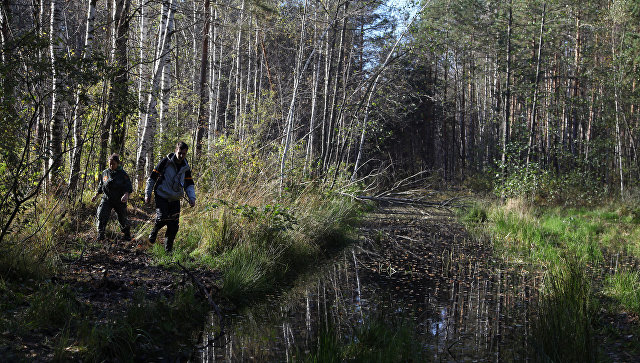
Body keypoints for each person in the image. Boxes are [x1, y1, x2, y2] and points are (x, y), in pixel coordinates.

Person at [145, 141, 196, 252]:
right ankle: (154, 232)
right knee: (163, 217)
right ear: (175, 150)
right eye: (180, 153)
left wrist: (192, 198)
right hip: (161, 195)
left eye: (184, 153)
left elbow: (189, 184)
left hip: (175, 198)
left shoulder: (185, 167)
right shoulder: (165, 162)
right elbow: (152, 178)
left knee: (173, 226)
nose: (181, 156)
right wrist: (147, 194)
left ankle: (168, 253)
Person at [92, 153, 132, 241]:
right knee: (102, 214)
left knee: (122, 218)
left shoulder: (123, 174)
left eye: (113, 164)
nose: (111, 165)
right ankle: (101, 234)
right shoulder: (105, 173)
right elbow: (101, 185)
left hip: (119, 200)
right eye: (110, 163)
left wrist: (125, 195)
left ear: (117, 163)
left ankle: (127, 234)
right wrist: (96, 195)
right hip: (107, 198)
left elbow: (128, 187)